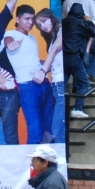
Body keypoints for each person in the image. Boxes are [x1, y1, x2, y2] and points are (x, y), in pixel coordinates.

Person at [3, 5, 56, 144]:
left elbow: (35, 61)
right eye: (27, 19)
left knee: (49, 130)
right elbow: (8, 41)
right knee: (35, 131)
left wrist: (52, 65)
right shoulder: (10, 34)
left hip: (45, 84)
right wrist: (11, 44)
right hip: (28, 87)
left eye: (33, 19)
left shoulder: (32, 38)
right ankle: (31, 159)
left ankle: (46, 158)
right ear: (17, 19)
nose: (30, 22)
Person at [62, 3, 95, 119]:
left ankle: (58, 108)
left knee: (62, 84)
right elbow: (93, 32)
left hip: (62, 57)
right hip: (74, 56)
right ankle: (77, 108)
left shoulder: (63, 22)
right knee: (84, 83)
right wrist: (88, 20)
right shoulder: (79, 23)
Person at [35, 9, 65, 142]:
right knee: (58, 128)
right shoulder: (52, 38)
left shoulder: (62, 31)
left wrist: (42, 71)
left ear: (51, 17)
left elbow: (55, 50)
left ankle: (59, 154)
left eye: (44, 21)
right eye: (39, 25)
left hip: (61, 84)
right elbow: (54, 63)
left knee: (57, 130)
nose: (43, 26)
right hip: (56, 85)